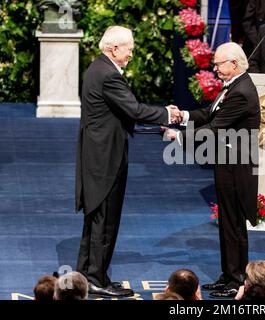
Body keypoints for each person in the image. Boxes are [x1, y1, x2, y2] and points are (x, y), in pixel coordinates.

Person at [75, 25, 181, 297]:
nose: (131, 54)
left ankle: (87, 274)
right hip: (105, 159)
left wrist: (157, 123)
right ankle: (96, 279)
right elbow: (133, 109)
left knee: (96, 218)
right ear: (114, 49)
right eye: (129, 49)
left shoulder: (98, 68)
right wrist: (166, 114)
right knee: (105, 220)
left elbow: (122, 114)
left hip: (98, 155)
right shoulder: (108, 74)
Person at [165, 42, 261, 298]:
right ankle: (229, 275)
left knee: (235, 223)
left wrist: (180, 137)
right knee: (227, 222)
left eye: (219, 63)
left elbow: (216, 127)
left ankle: (238, 279)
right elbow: (210, 113)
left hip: (237, 167)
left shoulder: (241, 91)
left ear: (235, 64)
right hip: (227, 163)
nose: (215, 67)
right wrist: (183, 117)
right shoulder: (233, 86)